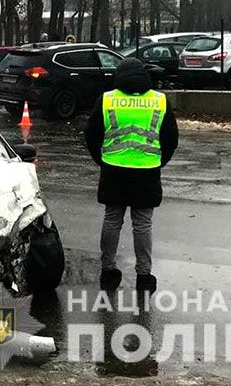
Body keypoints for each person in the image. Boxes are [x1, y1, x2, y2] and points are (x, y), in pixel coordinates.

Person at [84, 58, 178, 294]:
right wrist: (157, 161)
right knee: (143, 224)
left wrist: (103, 160)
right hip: (147, 171)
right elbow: (171, 138)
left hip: (113, 169)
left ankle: (108, 271)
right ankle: (144, 276)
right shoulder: (159, 100)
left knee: (112, 220)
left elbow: (91, 134)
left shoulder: (107, 100)